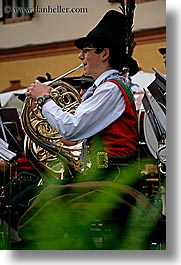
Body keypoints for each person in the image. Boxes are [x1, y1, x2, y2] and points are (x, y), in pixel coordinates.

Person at [25, 10, 140, 185]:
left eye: (86, 50)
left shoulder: (110, 89)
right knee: (28, 196)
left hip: (113, 178)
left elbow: (72, 129)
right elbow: (69, 138)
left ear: (104, 54)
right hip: (103, 174)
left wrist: (44, 99)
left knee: (32, 198)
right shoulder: (103, 88)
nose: (80, 56)